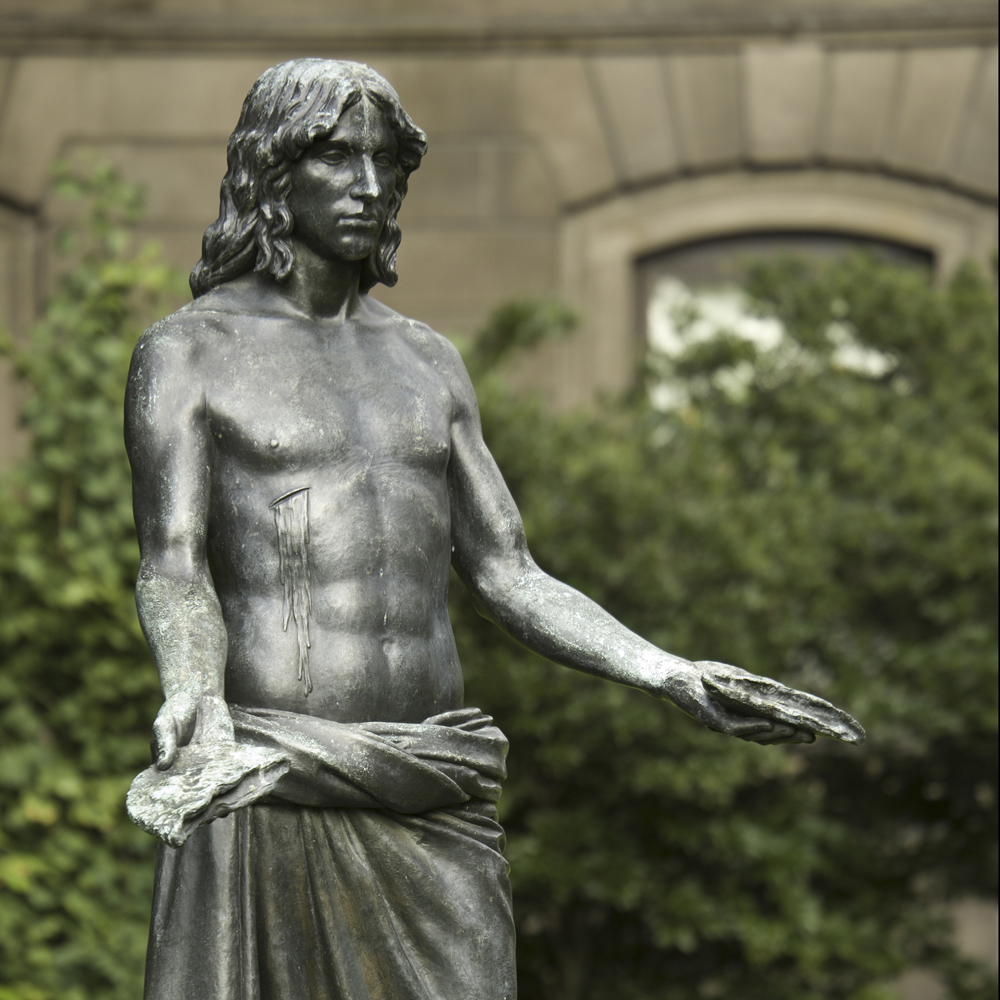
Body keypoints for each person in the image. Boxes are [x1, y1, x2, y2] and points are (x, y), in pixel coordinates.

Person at [125, 59, 854, 1000]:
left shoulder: (427, 360)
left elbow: (509, 570)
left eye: (385, 162)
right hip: (278, 777)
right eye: (337, 158)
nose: (370, 186)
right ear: (272, 171)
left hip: (436, 784)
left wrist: (666, 670)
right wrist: (193, 691)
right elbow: (174, 563)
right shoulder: (188, 353)